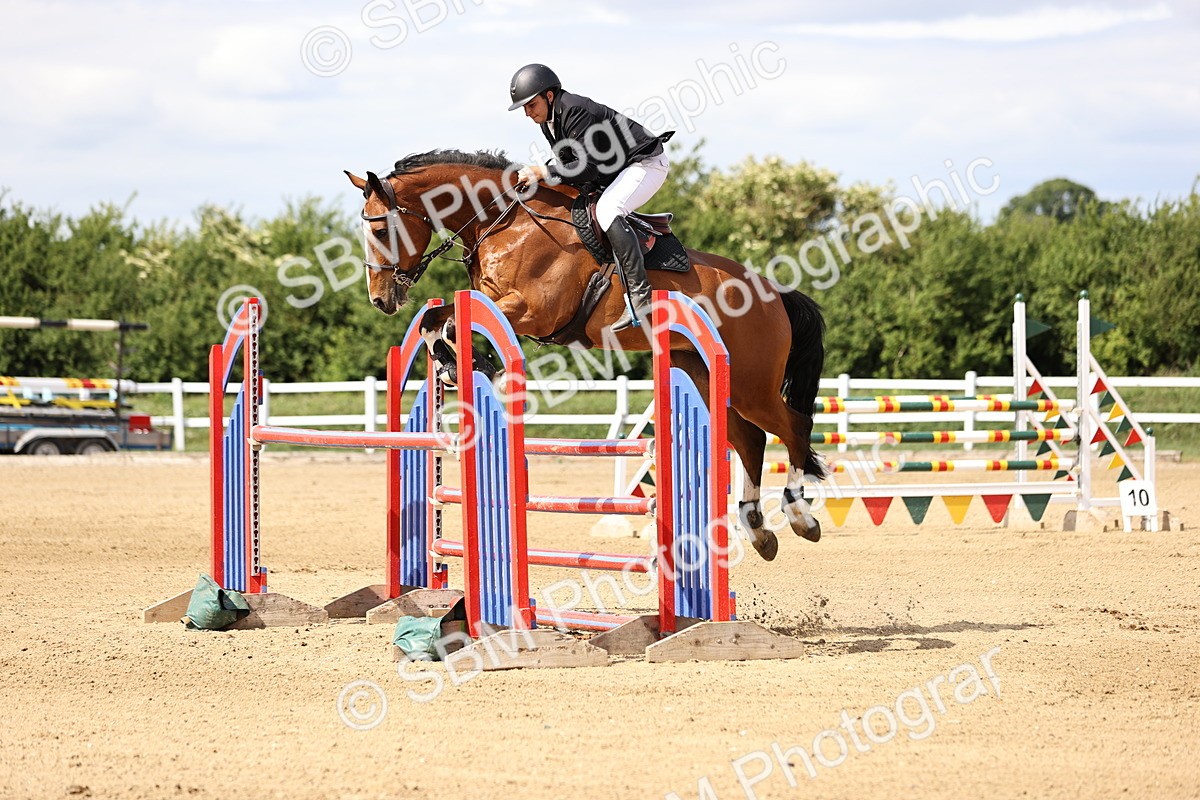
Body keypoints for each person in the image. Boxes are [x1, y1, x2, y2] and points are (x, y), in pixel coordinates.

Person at [508, 63, 673, 332]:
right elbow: (569, 166)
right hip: (615, 172)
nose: (527, 112)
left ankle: (639, 295)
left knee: (609, 210)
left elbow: (586, 168)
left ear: (550, 96)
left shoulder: (575, 110)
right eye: (524, 107)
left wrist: (543, 171)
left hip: (646, 165)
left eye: (531, 104)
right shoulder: (549, 121)